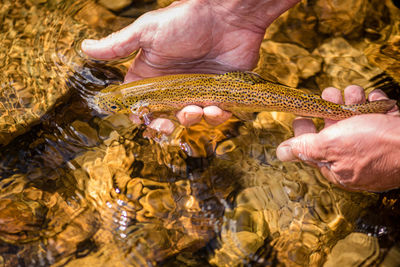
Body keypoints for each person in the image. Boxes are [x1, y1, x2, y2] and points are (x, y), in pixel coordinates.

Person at [81, 0, 400, 192]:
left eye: (112, 105)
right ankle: (362, 114)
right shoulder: (141, 95)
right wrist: (221, 10)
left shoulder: (141, 103)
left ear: (132, 105)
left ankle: (356, 115)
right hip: (244, 89)